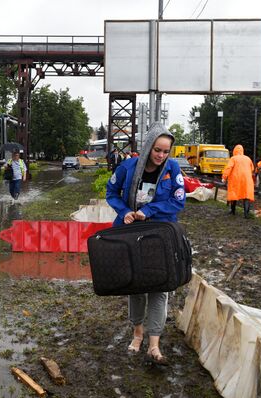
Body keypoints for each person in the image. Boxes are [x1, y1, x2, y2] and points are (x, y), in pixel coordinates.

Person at [106, 122, 186, 365]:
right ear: (148, 146)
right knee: (137, 286)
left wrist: (149, 210)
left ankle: (154, 343)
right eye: (157, 150)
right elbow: (111, 193)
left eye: (165, 151)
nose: (161, 156)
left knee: (159, 288)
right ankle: (137, 333)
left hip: (161, 235)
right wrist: (125, 210)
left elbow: (178, 201)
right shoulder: (127, 167)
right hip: (132, 234)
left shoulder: (173, 169)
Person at [222, 144, 255, 218]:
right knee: (246, 195)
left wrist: (224, 177)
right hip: (247, 180)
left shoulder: (233, 158)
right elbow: (252, 169)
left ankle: (233, 211)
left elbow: (228, 168)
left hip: (235, 179)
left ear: (234, 151)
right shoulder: (248, 158)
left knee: (234, 194)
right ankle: (246, 214)